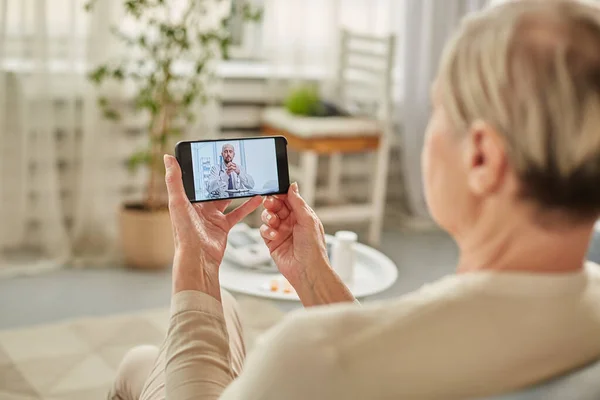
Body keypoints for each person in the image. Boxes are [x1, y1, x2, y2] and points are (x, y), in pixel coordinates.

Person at [109, 1, 600, 399]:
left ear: (481, 157)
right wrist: (311, 274)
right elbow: (396, 359)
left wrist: (195, 263)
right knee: (226, 310)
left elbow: (353, 359)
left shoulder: (309, 360)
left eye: (438, 111)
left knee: (137, 364)